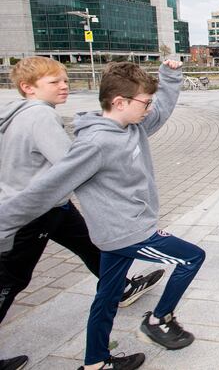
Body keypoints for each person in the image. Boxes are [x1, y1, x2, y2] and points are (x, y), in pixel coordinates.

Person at [0, 60, 205, 370]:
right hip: (129, 232)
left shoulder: (131, 126)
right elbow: (45, 188)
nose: (148, 108)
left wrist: (171, 76)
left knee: (107, 298)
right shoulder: (94, 144)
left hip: (112, 234)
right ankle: (158, 320)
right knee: (191, 258)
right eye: (144, 103)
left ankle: (95, 363)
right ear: (119, 102)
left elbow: (160, 110)